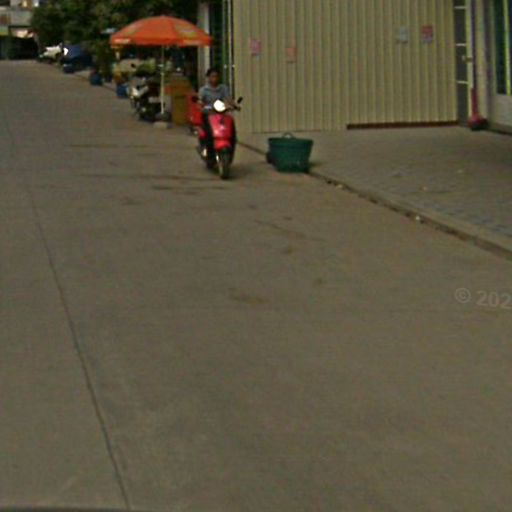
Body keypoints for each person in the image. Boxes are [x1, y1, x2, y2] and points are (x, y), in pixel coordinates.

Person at [198, 68, 237, 167]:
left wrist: (233, 105)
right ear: (208, 78)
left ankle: (230, 153)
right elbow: (200, 102)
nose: (214, 79)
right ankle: (209, 156)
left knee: (231, 130)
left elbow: (228, 99)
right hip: (208, 114)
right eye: (212, 76)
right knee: (209, 134)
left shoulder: (223, 88)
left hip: (221, 114)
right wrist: (202, 106)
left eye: (216, 76)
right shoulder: (204, 90)